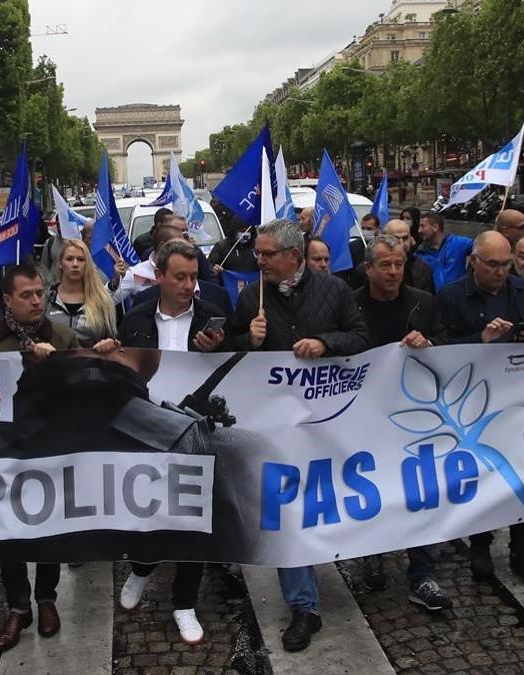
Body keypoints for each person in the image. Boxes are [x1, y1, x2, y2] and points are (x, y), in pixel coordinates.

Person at [225, 218, 370, 652]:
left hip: (330, 425)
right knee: (285, 512)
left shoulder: (335, 291)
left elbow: (363, 338)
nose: (260, 260)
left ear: (294, 256)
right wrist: (245, 339)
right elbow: (227, 355)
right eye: (259, 254)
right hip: (276, 430)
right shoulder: (252, 296)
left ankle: (367, 558)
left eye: (268, 254)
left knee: (333, 503)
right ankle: (303, 606)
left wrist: (326, 343)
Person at [0, 265, 86, 652]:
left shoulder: (62, 336)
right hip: (2, 453)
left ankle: (45, 598)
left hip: (50, 449)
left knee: (48, 528)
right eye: (27, 295)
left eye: (39, 293)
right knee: (8, 533)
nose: (36, 301)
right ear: (7, 301)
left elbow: (84, 392)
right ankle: (18, 606)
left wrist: (61, 365)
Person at [115, 239, 226, 645]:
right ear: (158, 275)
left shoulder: (214, 313)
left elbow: (241, 364)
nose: (188, 285)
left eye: (194, 277)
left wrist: (222, 347)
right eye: (179, 277)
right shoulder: (136, 315)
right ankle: (143, 567)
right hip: (151, 429)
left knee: (194, 519)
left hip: (198, 431)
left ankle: (184, 602)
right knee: (151, 508)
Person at [436, 232, 524, 589]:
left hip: (520, 400)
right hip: (475, 405)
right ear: (474, 261)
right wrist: (481, 341)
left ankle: (523, 551)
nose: (501, 272)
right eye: (493, 265)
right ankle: (480, 544)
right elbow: (440, 348)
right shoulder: (451, 296)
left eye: (506, 264)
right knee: (482, 475)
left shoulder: (523, 291)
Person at [351, 235, 451, 611]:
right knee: (373, 489)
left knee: (421, 491)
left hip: (415, 415)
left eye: (399, 265)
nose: (393, 272)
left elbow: (444, 339)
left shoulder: (423, 303)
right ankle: (372, 553)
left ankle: (422, 574)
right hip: (365, 415)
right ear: (369, 268)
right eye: (385, 265)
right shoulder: (352, 303)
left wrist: (428, 341)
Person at [46, 238, 118, 347]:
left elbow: (113, 341)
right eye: (69, 259)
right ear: (60, 263)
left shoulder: (102, 301)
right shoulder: (46, 299)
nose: (75, 264)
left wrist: (110, 343)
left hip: (90, 362)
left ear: (87, 264)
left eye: (81, 259)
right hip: (52, 362)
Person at [415, 212, 472, 290]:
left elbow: (483, 249)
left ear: (435, 227)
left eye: (422, 226)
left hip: (459, 298)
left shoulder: (458, 243)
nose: (419, 230)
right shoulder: (420, 254)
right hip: (434, 299)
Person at [382, 218, 434, 293]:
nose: (401, 243)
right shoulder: (371, 268)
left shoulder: (423, 269)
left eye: (405, 238)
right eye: (395, 238)